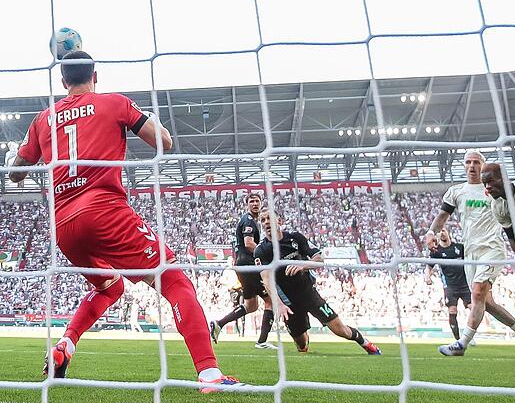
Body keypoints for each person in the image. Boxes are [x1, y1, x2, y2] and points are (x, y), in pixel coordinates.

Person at [7, 51, 241, 393]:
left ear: (62, 81)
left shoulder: (43, 119)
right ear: (95, 77)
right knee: (175, 281)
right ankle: (210, 374)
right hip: (105, 211)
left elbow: (15, 173)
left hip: (65, 227)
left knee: (110, 287)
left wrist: (30, 149)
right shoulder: (114, 103)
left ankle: (65, 346)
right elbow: (164, 141)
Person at [424, 150, 515, 358]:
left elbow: (514, 229)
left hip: (492, 249)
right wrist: (430, 232)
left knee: (478, 293)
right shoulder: (456, 192)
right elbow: (442, 216)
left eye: (476, 162)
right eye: (468, 162)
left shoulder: (494, 191)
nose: (472, 166)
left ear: (483, 165)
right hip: (470, 254)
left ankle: (462, 343)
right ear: (464, 166)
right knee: (487, 303)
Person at [256, 205, 382, 355]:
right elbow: (266, 279)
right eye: (262, 220)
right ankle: (304, 340)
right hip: (288, 302)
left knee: (339, 329)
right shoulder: (261, 250)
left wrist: (302, 266)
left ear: (279, 220)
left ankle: (366, 344)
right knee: (301, 344)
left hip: (308, 294)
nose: (265, 222)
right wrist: (280, 304)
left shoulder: (295, 238)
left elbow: (319, 259)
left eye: (269, 218)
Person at [209, 193, 276, 349]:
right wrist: (266, 256)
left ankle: (218, 324)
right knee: (271, 300)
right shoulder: (249, 220)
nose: (254, 204)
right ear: (247, 204)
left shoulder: (252, 221)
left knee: (251, 305)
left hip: (242, 266)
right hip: (249, 265)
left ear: (261, 203)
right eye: (251, 201)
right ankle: (262, 341)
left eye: (257, 201)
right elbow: (249, 243)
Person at [424, 228, 472, 342]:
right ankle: (458, 339)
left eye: (444, 230)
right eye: (440, 231)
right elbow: (429, 266)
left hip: (465, 284)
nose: (442, 233)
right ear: (437, 236)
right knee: (452, 310)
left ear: (449, 233)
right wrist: (427, 276)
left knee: (473, 308)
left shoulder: (460, 247)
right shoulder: (437, 252)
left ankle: (468, 335)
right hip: (450, 286)